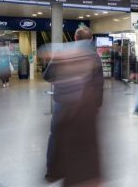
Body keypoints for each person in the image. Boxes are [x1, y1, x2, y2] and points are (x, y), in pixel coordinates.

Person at [43, 27, 104, 186]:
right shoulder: (94, 57)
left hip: (62, 105)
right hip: (83, 107)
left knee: (55, 136)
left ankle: (52, 173)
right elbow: (98, 84)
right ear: (90, 39)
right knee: (83, 142)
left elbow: (47, 76)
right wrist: (97, 105)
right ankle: (79, 175)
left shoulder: (62, 52)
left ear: (75, 38)